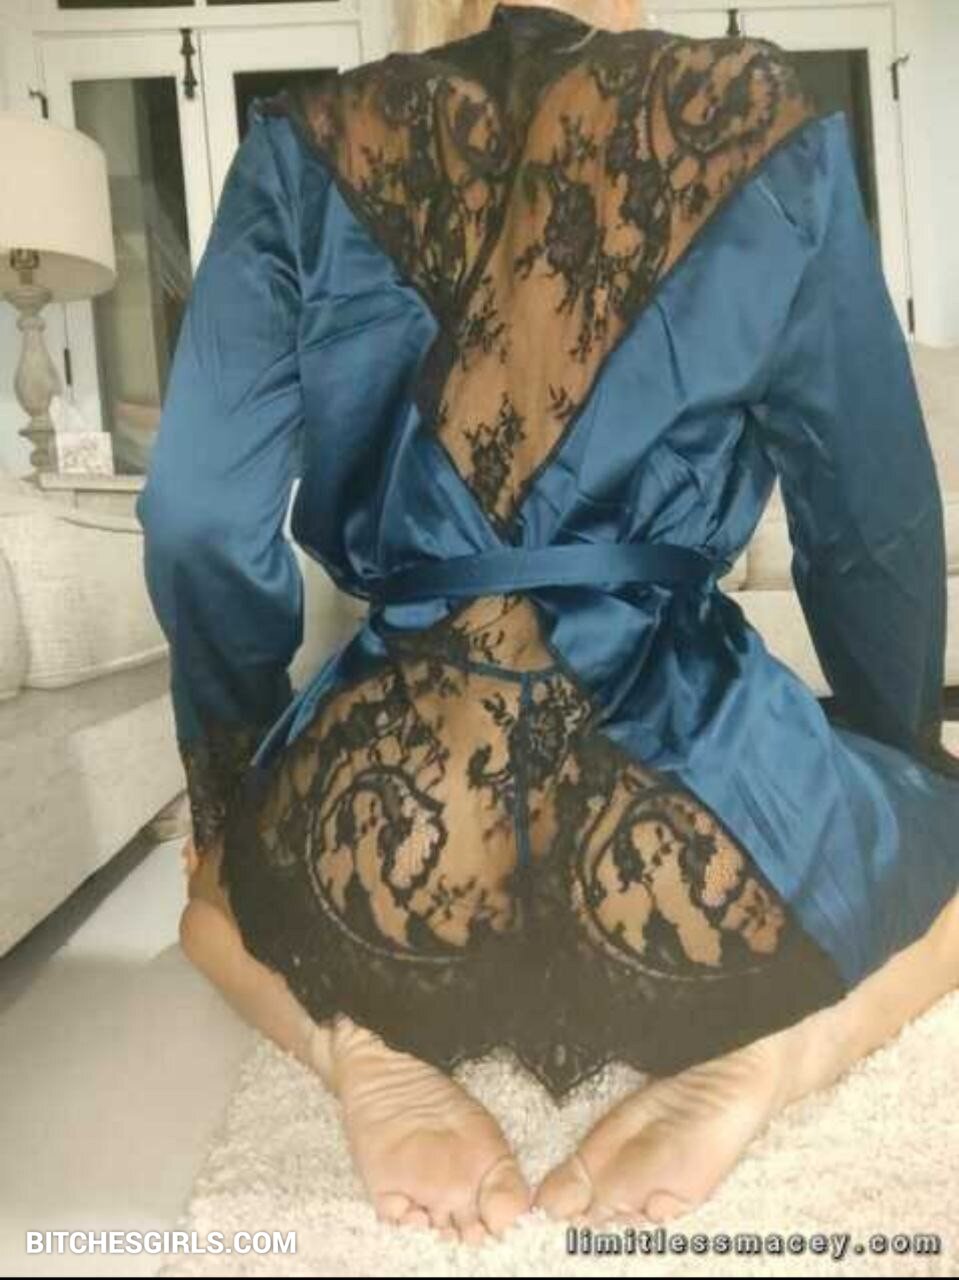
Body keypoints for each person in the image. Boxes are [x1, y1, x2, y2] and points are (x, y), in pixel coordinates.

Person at [136, 0, 959, 1245]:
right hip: (687, 817)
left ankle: (356, 1047)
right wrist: (896, 757)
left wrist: (236, 791)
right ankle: (780, 1051)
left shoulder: (308, 141)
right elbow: (870, 518)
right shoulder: (756, 118)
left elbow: (196, 518)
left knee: (208, 909)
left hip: (395, 837)